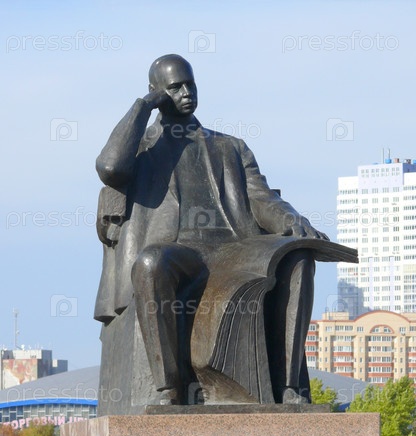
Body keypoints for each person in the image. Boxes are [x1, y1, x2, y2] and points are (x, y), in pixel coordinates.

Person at [94, 54, 332, 405]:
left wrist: (291, 220)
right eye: (175, 88)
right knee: (150, 263)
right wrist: (144, 106)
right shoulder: (141, 148)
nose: (186, 93)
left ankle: (287, 387)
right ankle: (168, 388)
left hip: (233, 248)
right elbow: (110, 167)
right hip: (179, 254)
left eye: (190, 84)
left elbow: (261, 198)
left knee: (299, 257)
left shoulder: (229, 147)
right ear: (156, 91)